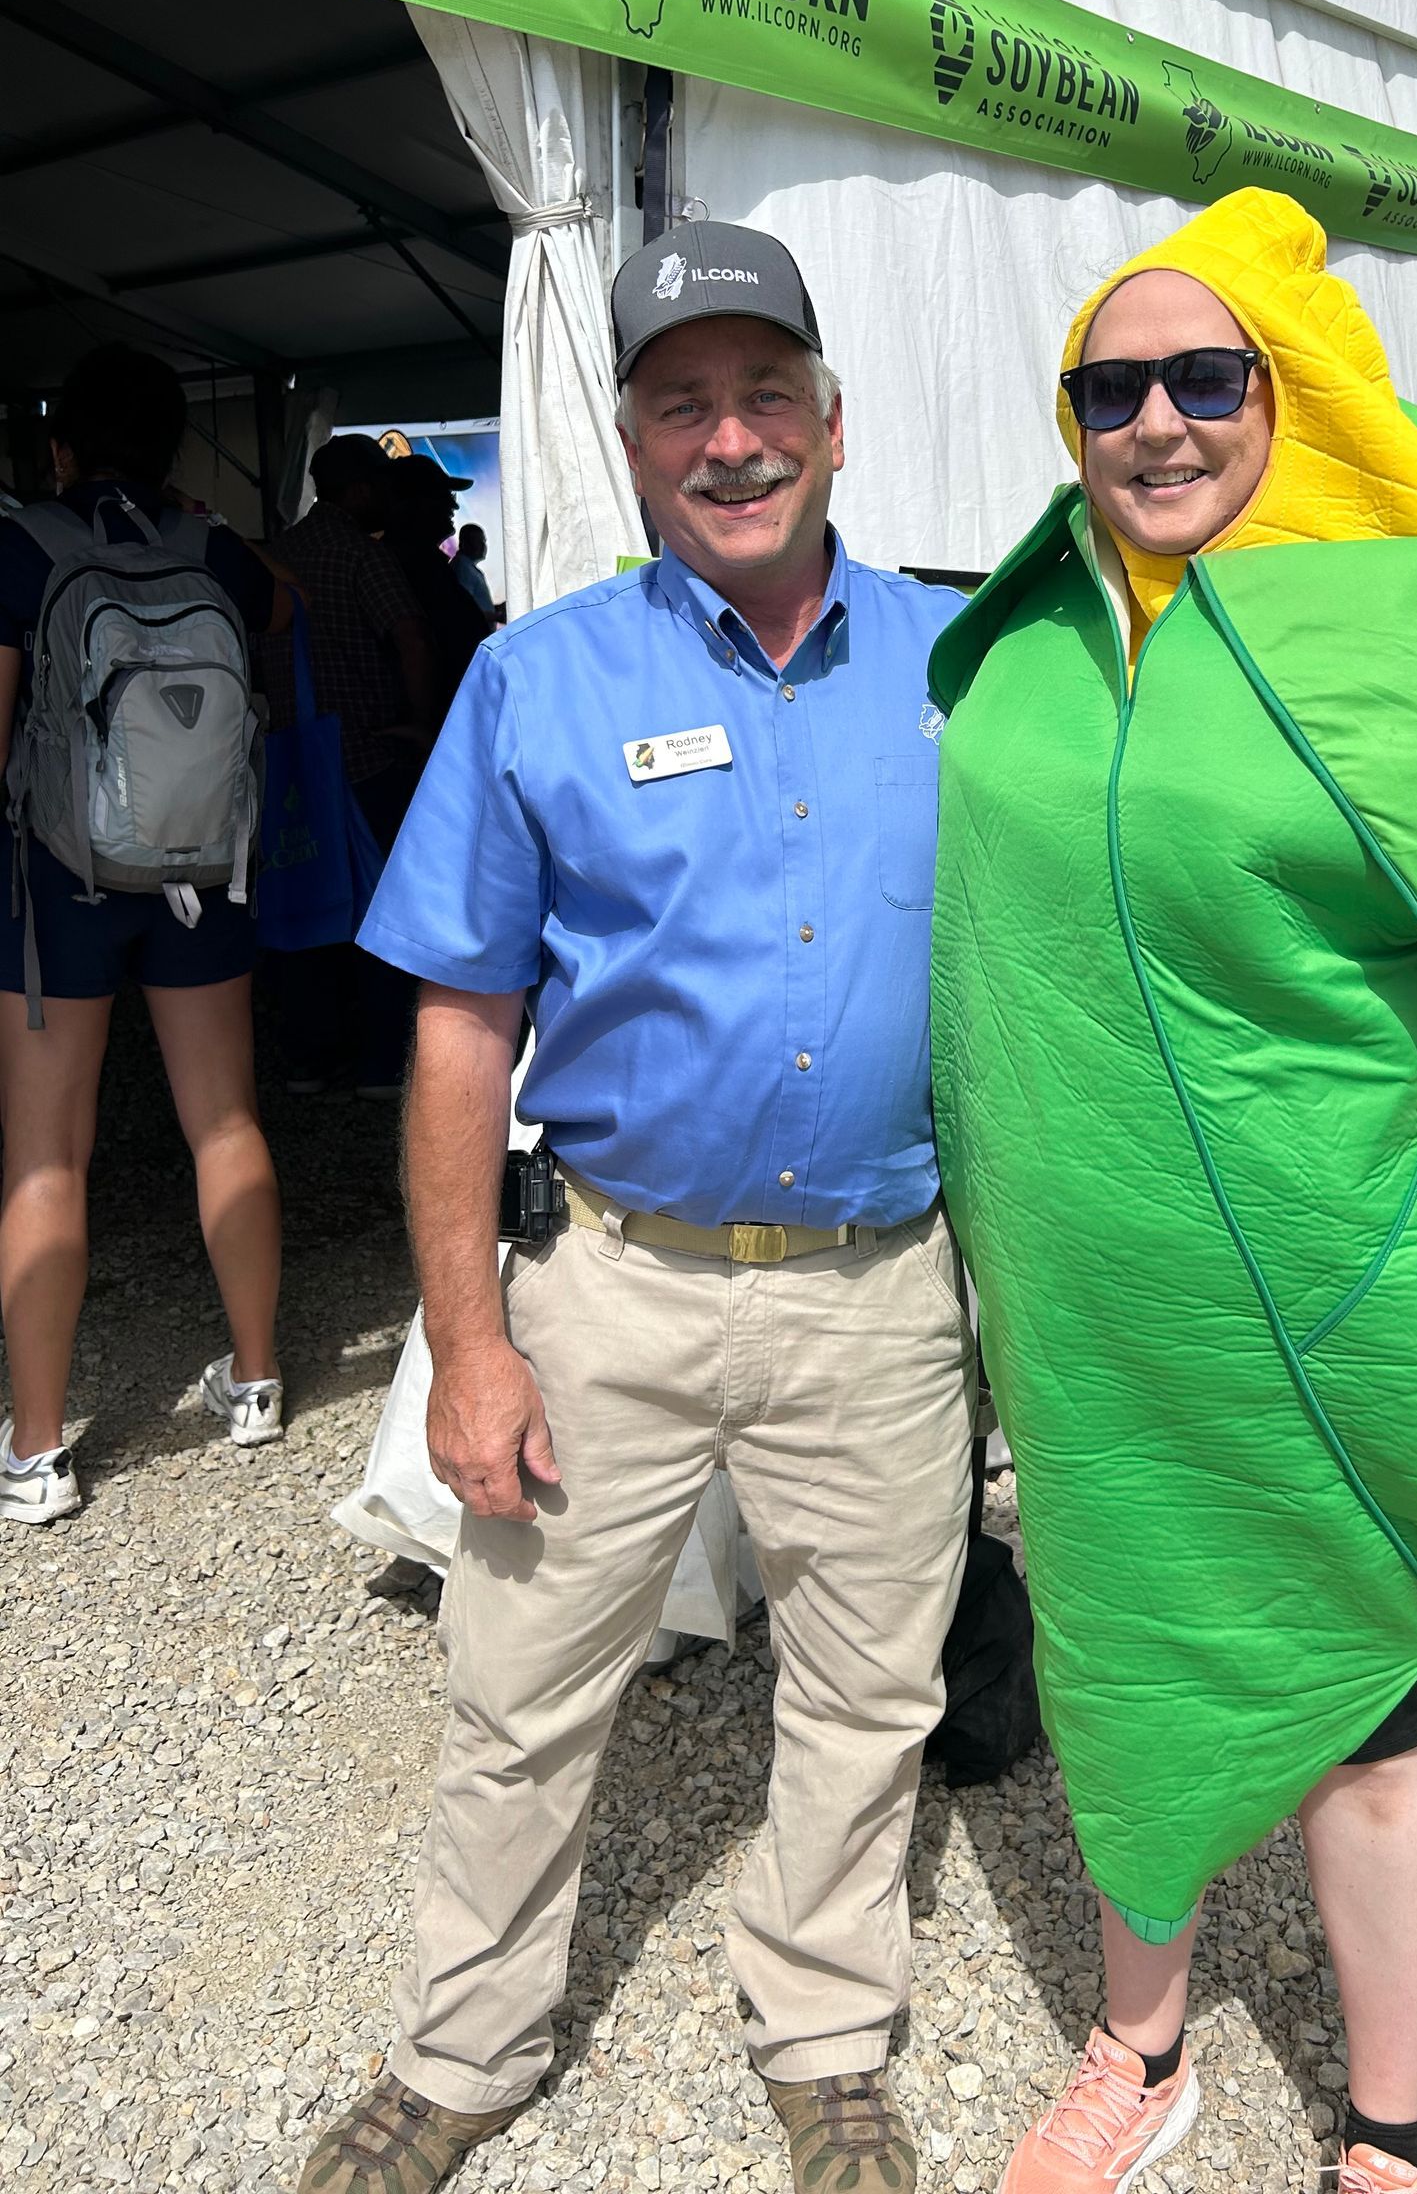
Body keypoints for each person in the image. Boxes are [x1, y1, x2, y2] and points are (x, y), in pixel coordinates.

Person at [926, 190, 1417, 2194]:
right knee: (1117, 1654)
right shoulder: (1026, 643)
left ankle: (1393, 2128)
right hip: (1099, 1319)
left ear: (1293, 392)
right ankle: (1142, 2048)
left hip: (1339, 1297)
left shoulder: (1416, 649)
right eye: (1114, 384)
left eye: (1208, 377)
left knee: (1373, 1705)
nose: (1158, 421)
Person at [300, 220, 974, 2194]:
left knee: (870, 1693)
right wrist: (469, 1343)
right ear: (630, 435)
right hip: (610, 1283)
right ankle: (465, 2045)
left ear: (835, 422)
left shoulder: (966, 668)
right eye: (684, 401)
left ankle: (828, 2030)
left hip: (883, 1287)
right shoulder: (537, 678)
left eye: (767, 393)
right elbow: (457, 1024)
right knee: (517, 1698)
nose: (733, 436)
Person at [0, 343, 293, 1522]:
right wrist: (194, 519)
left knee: (44, 1155)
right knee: (225, 1120)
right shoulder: (207, 545)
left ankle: (36, 1448)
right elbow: (286, 605)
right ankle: (259, 1379)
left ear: (58, 445)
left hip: (57, 885)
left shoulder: (24, 545)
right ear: (173, 450)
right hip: (202, 872)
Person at [256, 434, 437, 1095]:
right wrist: (422, 721)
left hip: (292, 765)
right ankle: (383, 1061)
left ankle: (309, 1054)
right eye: (383, 486)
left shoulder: (275, 557)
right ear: (359, 491)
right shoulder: (363, 555)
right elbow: (411, 636)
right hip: (364, 757)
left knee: (304, 902)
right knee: (384, 911)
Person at [382, 457, 488, 726]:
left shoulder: (428, 563)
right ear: (411, 504)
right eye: (441, 496)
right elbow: (417, 645)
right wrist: (424, 726)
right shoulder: (402, 566)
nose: (453, 504)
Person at [449, 520, 494, 619]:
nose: (483, 546)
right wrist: (497, 616)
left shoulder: (468, 567)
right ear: (465, 544)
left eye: (484, 541)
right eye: (478, 541)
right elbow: (464, 609)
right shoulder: (463, 567)